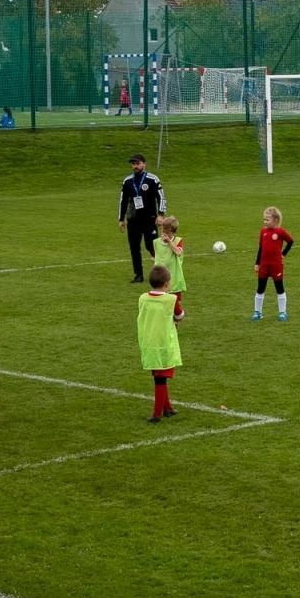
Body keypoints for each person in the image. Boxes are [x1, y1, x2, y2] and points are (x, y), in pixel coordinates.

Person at [137, 264, 183, 423]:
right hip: (164, 344)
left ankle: (168, 408)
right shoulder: (171, 299)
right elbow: (180, 315)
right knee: (161, 378)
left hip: (148, 341)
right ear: (166, 284)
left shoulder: (143, 298)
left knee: (158, 375)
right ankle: (157, 414)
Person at [119, 153, 166, 283]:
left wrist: (160, 214)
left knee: (151, 245)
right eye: (133, 164)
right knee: (134, 247)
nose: (135, 166)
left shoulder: (152, 179)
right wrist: (121, 219)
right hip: (133, 219)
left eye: (138, 163)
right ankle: (138, 275)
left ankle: (161, 271)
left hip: (150, 219)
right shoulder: (127, 181)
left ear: (144, 164)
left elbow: (161, 197)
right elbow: (123, 201)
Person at [253, 207, 294, 322]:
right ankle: (257, 312)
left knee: (279, 288)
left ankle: (282, 312)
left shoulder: (280, 232)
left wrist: (283, 254)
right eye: (264, 220)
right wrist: (257, 263)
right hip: (264, 265)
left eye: (267, 220)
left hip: (276, 265)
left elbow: (290, 241)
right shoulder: (263, 231)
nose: (264, 222)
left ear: (275, 220)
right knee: (260, 288)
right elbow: (261, 248)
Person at [154, 216, 187, 318]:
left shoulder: (178, 241)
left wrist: (169, 242)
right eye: (163, 231)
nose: (164, 234)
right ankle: (172, 322)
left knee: (174, 304)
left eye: (167, 232)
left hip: (174, 279)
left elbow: (178, 252)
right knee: (163, 304)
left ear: (173, 232)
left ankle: (177, 318)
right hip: (160, 278)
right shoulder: (156, 242)